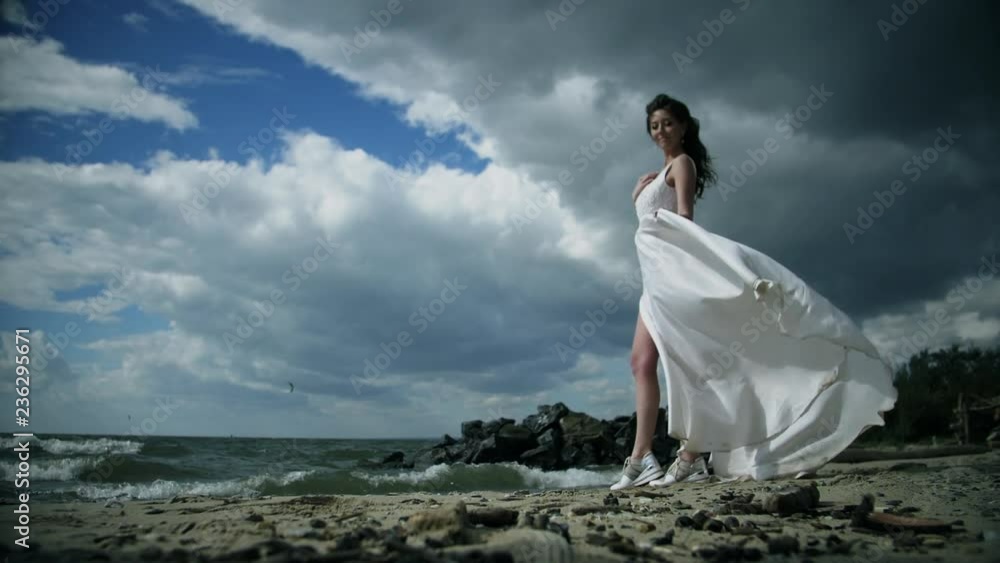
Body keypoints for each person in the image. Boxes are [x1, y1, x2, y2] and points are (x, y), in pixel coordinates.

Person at [610, 94, 897, 490]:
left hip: (674, 278)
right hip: (653, 282)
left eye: (668, 123)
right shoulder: (651, 176)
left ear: (684, 127)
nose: (661, 131)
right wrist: (637, 195)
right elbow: (651, 218)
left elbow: (686, 221)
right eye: (654, 126)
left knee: (693, 362)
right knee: (641, 364)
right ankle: (643, 458)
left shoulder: (682, 164)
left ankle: (689, 455)